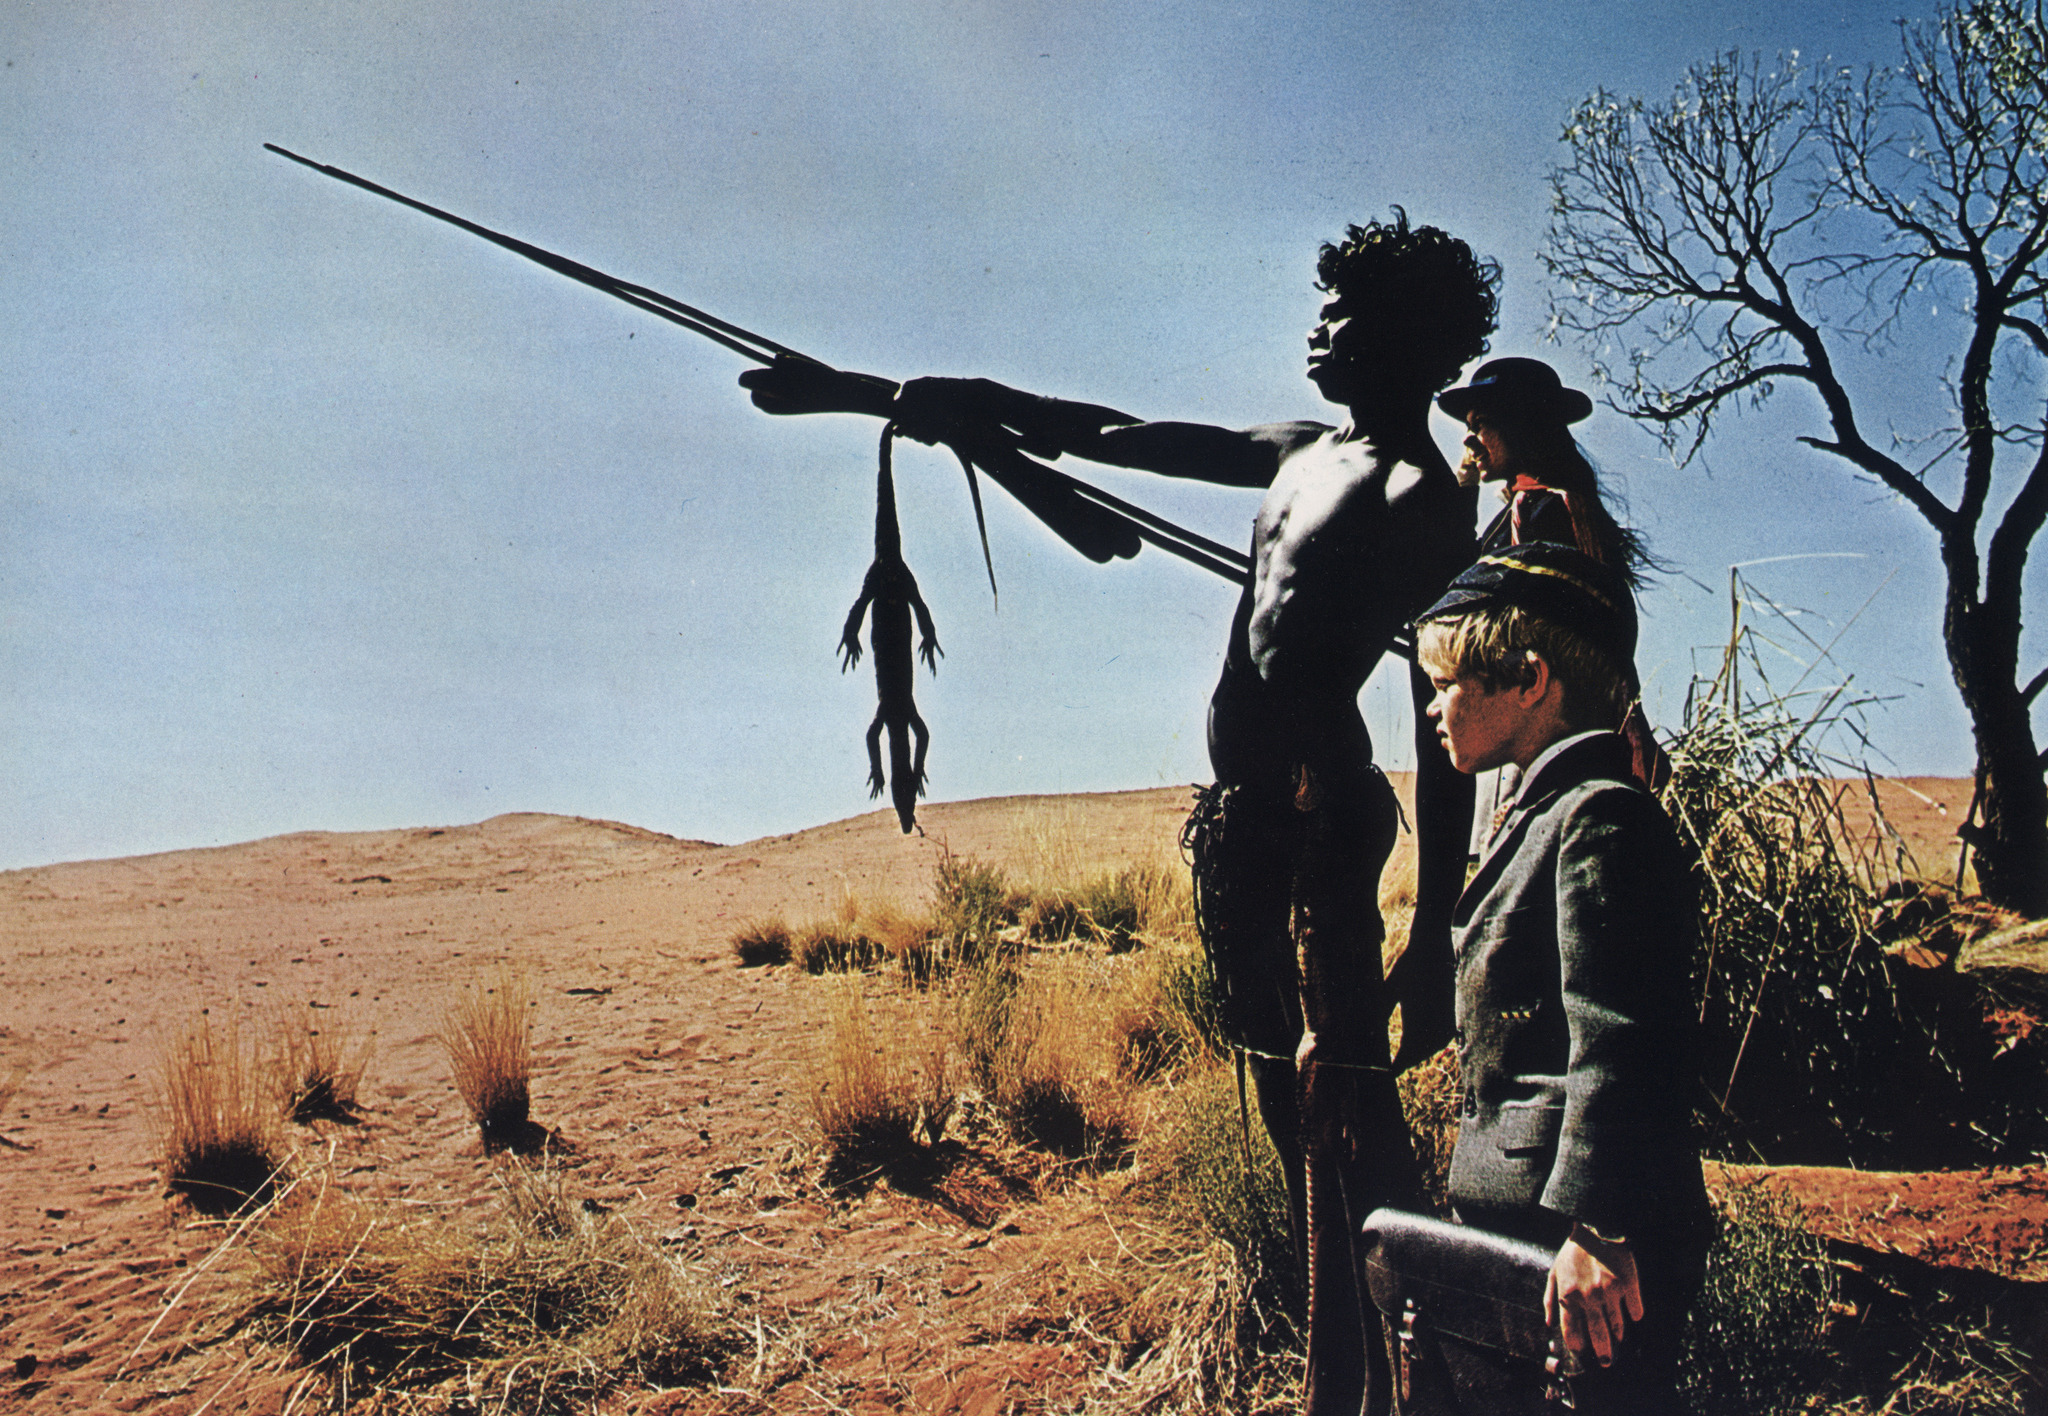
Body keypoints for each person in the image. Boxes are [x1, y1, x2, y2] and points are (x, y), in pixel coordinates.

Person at [741, 209, 1499, 1416]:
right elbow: (1104, 434)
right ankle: (1344, 1379)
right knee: (1289, 1119)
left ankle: (1425, 1378)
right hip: (1243, 829)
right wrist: (864, 392)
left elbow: (1438, 729)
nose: (1317, 326)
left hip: (1318, 831)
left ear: (1405, 338)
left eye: (1343, 312)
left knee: (1345, 1120)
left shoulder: (1423, 499)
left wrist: (1436, 937)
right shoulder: (1299, 450)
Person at [1415, 542, 1709, 1413]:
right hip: (1530, 1222)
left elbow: (1622, 1036)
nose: (1433, 709)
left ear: (1529, 678)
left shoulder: (1599, 818)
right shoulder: (1544, 813)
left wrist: (1601, 1226)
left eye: (1446, 685)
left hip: (1581, 1244)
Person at [1436, 357, 1659, 848]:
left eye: (1481, 425)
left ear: (1520, 423)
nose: (1470, 441)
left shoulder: (1541, 510)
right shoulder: (1549, 506)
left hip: (1544, 727)